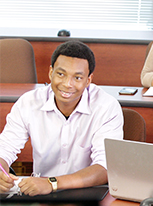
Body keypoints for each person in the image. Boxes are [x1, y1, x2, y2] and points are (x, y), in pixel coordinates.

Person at [0, 41, 123, 196]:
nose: (67, 84)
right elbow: (5, 148)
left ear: (88, 80)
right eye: (61, 74)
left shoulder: (106, 107)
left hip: (88, 192)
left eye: (77, 77)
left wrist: (51, 183)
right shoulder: (29, 102)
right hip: (40, 193)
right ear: (51, 72)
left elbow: (105, 168)